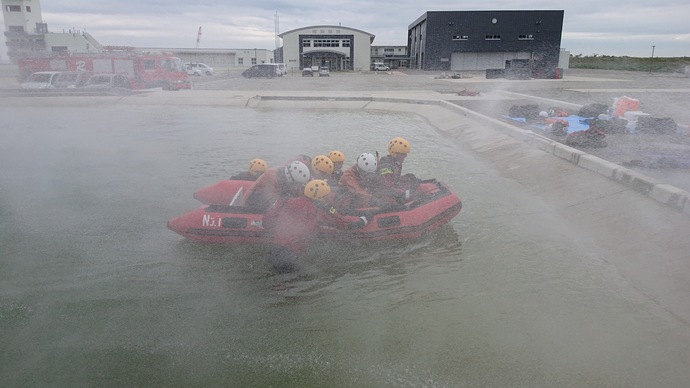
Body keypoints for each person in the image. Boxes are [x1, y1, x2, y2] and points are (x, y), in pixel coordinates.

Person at [263, 179, 367, 273]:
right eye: (326, 196)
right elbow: (343, 223)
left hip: (272, 251)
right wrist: (362, 220)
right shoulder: (320, 210)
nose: (328, 198)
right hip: (289, 257)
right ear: (320, 197)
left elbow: (267, 221)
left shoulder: (286, 201)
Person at [243, 160, 311, 212]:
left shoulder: (287, 173)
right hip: (257, 200)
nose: (297, 186)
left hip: (275, 194)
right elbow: (272, 201)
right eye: (297, 184)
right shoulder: (272, 177)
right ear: (290, 178)